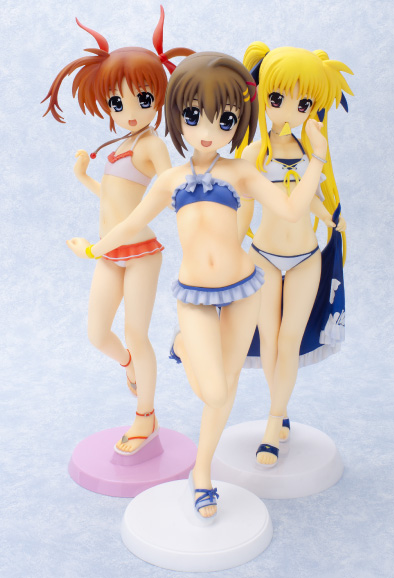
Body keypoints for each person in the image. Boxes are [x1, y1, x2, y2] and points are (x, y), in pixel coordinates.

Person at [67, 51, 328, 520]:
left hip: (244, 288)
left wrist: (317, 162)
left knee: (227, 386)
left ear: (238, 121)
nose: (207, 131)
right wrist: (94, 249)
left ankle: (202, 475)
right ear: (177, 117)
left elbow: (291, 210)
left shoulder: (242, 172)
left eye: (224, 120)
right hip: (195, 296)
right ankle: (184, 346)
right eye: (193, 116)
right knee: (214, 391)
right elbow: (132, 223)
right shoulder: (169, 179)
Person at [43, 8, 193, 455]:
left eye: (143, 99)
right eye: (117, 103)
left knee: (136, 333)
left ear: (159, 97)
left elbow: (160, 197)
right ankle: (129, 365)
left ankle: (146, 417)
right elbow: (116, 200)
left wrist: (94, 248)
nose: (130, 112)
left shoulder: (151, 144)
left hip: (140, 252)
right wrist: (83, 179)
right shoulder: (122, 143)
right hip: (111, 252)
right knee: (97, 334)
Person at [236, 44, 353, 467]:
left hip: (306, 258)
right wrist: (228, 248)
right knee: (270, 340)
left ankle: (273, 421)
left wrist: (331, 218)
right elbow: (246, 208)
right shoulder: (255, 153)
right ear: (262, 96)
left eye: (303, 104)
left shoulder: (309, 152)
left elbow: (311, 199)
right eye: (277, 98)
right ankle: (279, 412)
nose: (290, 111)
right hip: (264, 257)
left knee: (289, 341)